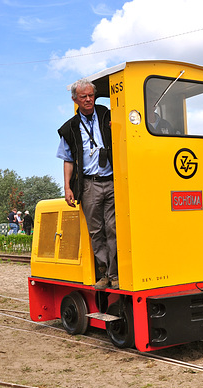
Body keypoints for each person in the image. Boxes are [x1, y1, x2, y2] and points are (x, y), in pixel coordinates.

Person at [56, 78, 118, 290]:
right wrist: (67, 187)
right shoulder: (70, 128)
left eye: (91, 95)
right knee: (96, 230)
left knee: (113, 227)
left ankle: (115, 273)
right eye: (84, 97)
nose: (89, 100)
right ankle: (104, 273)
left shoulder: (106, 114)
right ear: (75, 99)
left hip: (111, 180)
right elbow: (68, 160)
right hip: (89, 184)